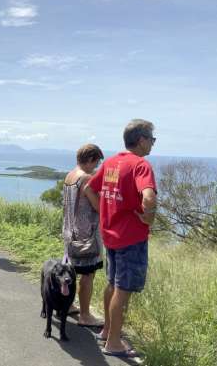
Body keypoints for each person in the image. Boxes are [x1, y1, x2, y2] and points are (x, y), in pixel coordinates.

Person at [85, 119, 157, 358]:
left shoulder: (112, 163)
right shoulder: (140, 165)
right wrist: (149, 218)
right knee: (123, 289)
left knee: (112, 284)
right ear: (142, 139)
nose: (153, 145)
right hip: (130, 238)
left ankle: (107, 331)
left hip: (111, 235)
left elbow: (89, 188)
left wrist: (103, 212)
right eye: (152, 140)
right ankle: (114, 342)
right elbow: (148, 198)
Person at [62, 144, 105, 327]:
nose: (95, 167)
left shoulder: (70, 175)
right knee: (87, 275)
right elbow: (98, 206)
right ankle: (85, 315)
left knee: (69, 271)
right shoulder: (86, 177)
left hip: (69, 230)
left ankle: (68, 304)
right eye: (95, 163)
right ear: (90, 160)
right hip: (86, 234)